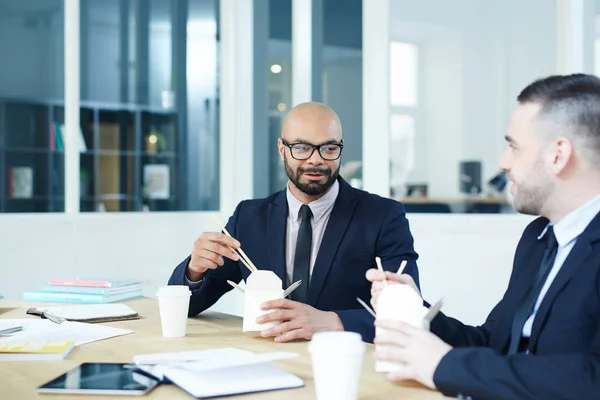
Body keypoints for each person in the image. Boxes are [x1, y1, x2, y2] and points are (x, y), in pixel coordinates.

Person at [367, 73, 600, 400]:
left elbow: (592, 380)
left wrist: (446, 366)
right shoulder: (539, 238)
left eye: (514, 148)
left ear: (558, 155)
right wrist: (415, 311)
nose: (503, 164)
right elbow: (494, 342)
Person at [169, 102, 419, 343]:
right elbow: (188, 307)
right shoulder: (249, 217)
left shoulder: (383, 216)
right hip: (269, 359)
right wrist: (194, 270)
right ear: (282, 149)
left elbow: (408, 313)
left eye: (329, 148)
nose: (315, 160)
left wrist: (334, 322)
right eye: (301, 148)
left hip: (348, 362)